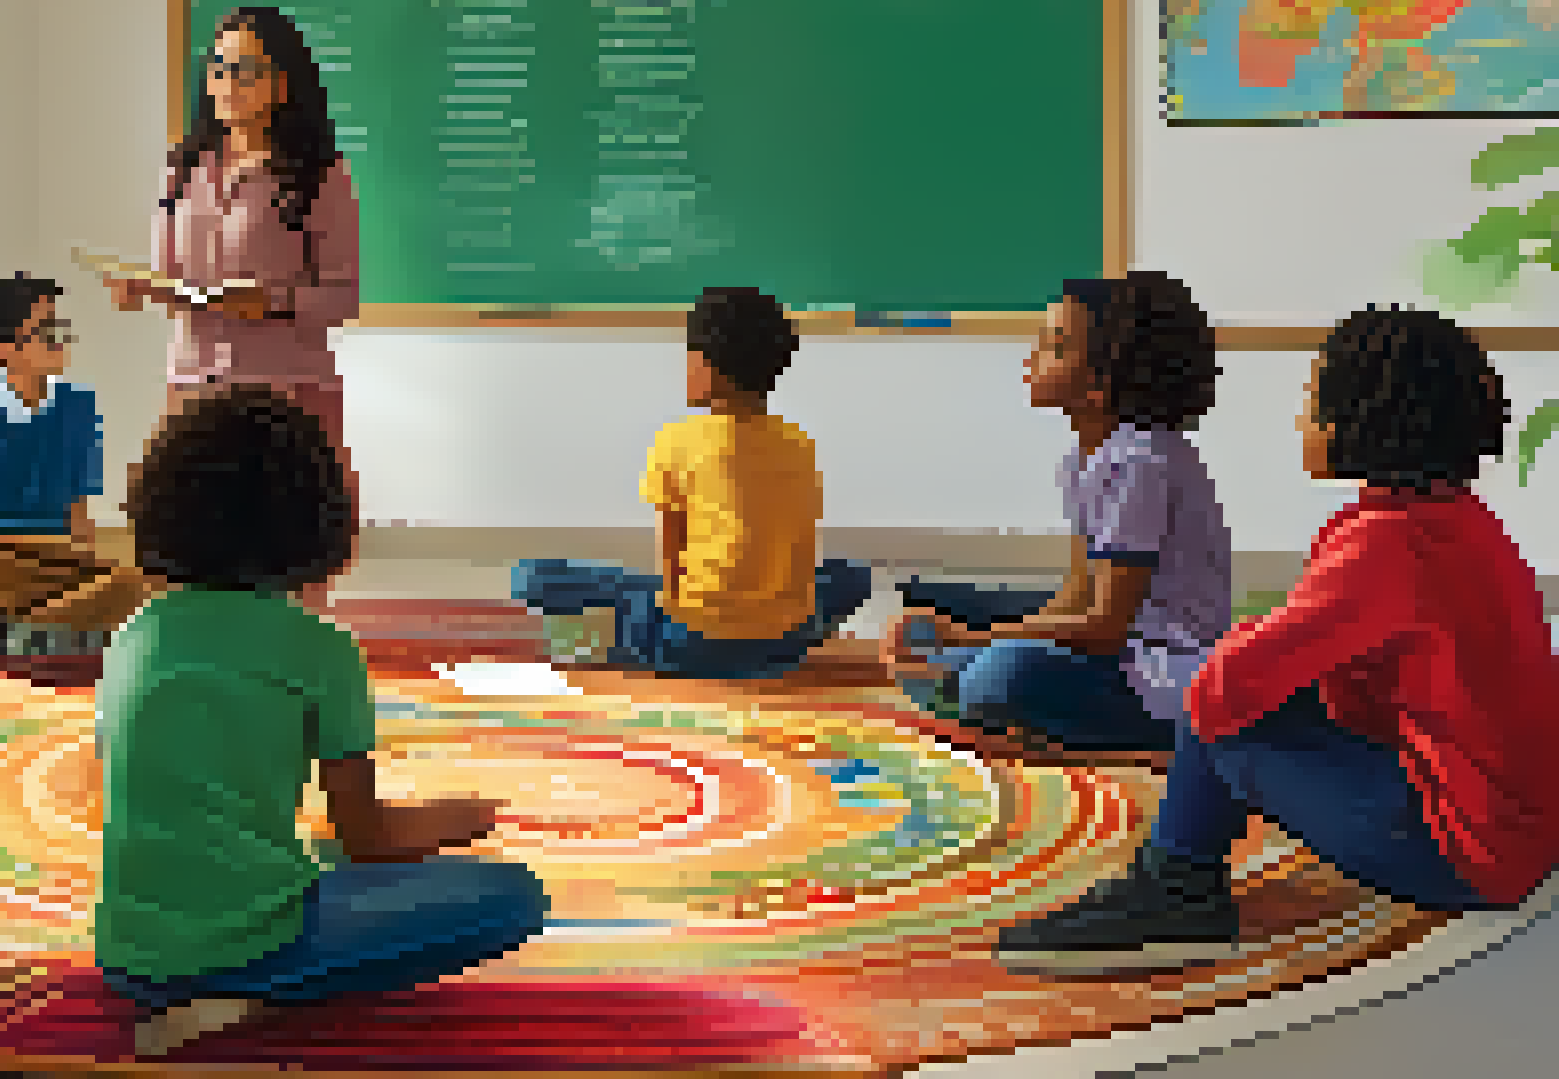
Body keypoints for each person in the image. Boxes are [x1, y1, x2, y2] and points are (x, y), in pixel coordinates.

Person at [998, 307, 1559, 973]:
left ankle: (1178, 891)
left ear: (1362, 420)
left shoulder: (1384, 544)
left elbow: (1220, 693)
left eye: (1314, 400)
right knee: (1248, 681)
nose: (1302, 419)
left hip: (1465, 851)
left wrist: (1246, 658)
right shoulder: (1459, 521)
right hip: (1517, 829)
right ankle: (1179, 875)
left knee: (1217, 707)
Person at [97, 383, 548, 1058]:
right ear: (314, 519)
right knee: (513, 897)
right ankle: (251, 998)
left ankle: (211, 989)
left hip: (126, 953)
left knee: (314, 858)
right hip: (244, 945)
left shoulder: (134, 632)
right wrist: (460, 818)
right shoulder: (320, 648)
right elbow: (367, 836)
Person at [883, 271, 1230, 752]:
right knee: (952, 608)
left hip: (1164, 675)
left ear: (1100, 384)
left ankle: (971, 686)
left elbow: (1103, 626)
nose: (1031, 358)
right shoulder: (1085, 459)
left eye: (1055, 346)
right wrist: (977, 635)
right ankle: (964, 679)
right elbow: (1076, 595)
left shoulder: (1138, 462)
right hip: (1120, 650)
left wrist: (974, 639)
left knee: (998, 674)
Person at [111, 5, 361, 613]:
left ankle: (294, 658)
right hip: (196, 383)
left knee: (291, 547)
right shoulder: (180, 171)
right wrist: (141, 289)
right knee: (187, 541)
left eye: (244, 69)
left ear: (281, 83)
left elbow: (342, 295)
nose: (226, 84)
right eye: (217, 68)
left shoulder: (317, 176)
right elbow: (172, 278)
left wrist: (273, 301)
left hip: (287, 389)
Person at [511, 287, 874, 682]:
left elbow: (671, 565)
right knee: (851, 574)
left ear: (707, 366)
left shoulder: (676, 441)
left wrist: (665, 608)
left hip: (690, 643)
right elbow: (797, 548)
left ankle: (613, 642)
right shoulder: (800, 444)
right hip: (786, 645)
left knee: (535, 575)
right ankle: (760, 637)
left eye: (688, 356)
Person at [0, 272, 153, 656]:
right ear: (5, 349)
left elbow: (79, 516)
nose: (61, 340)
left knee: (134, 581)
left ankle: (21, 627)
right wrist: (39, 555)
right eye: (46, 331)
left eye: (61, 328)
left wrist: (77, 556)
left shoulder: (80, 405)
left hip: (57, 558)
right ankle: (53, 623)